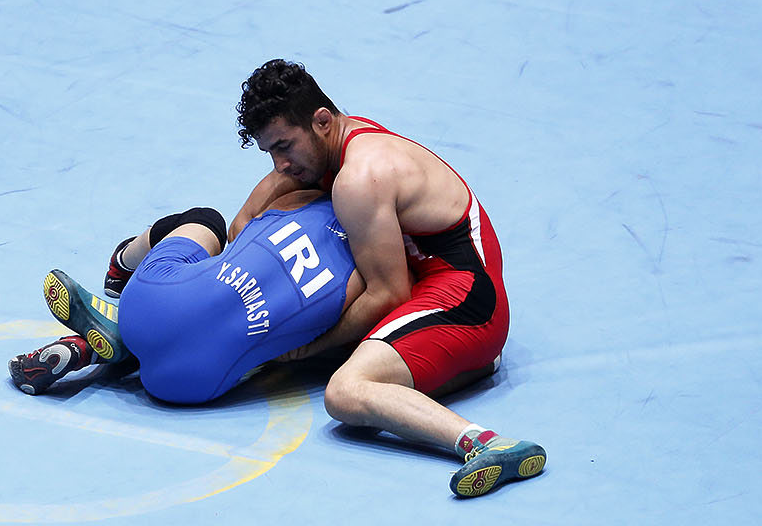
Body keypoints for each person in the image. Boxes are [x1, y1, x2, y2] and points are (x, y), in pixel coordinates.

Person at [232, 59, 544, 497]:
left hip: (467, 304)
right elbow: (243, 221)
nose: (280, 164)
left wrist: (305, 349)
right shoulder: (334, 142)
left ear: (322, 121)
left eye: (284, 146)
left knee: (345, 391)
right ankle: (464, 368)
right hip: (439, 287)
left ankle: (487, 443)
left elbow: (388, 294)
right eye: (270, 151)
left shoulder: (360, 177)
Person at [9, 188, 360, 406]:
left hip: (149, 302)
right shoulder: (368, 279)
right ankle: (96, 349)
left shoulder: (303, 196)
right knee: (243, 340)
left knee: (207, 220)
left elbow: (240, 229)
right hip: (189, 386)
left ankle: (123, 263)